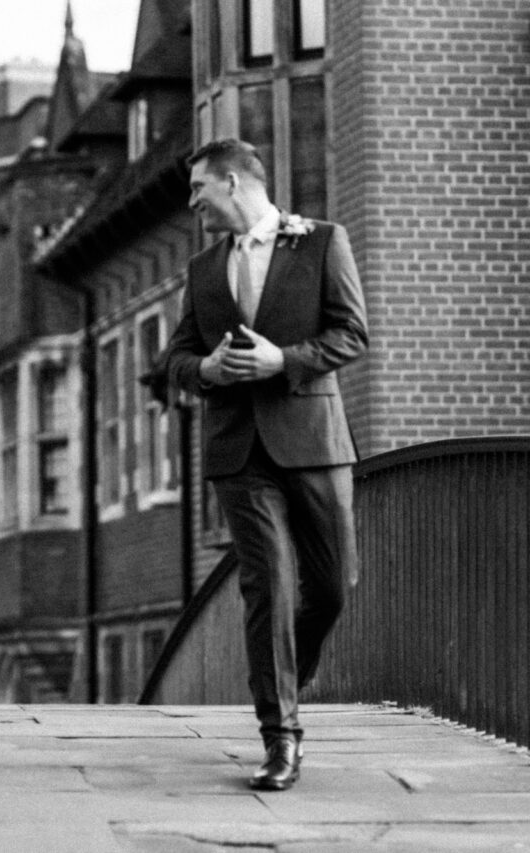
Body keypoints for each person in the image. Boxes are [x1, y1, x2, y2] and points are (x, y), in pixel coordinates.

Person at [166, 139, 368, 791]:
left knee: (333, 585)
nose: (192, 202)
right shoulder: (201, 269)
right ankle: (280, 737)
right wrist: (206, 369)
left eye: (199, 188)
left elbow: (352, 333)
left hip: (314, 439)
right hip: (238, 452)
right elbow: (175, 358)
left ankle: (289, 666)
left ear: (231, 182)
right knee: (270, 586)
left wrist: (284, 361)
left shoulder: (321, 242)